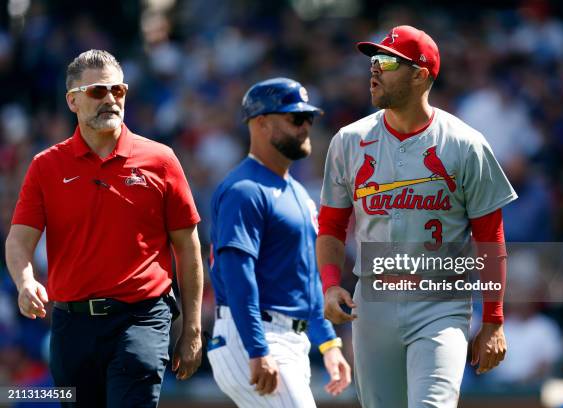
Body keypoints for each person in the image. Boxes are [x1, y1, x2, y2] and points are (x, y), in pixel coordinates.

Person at [317, 25, 517, 407]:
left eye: (387, 61)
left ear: (420, 74)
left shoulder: (465, 144)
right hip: (372, 300)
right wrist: (329, 284)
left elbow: (490, 239)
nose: (374, 70)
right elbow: (330, 225)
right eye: (373, 61)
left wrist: (493, 319)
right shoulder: (348, 141)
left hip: (440, 301)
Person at [5, 49, 203, 408]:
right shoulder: (45, 166)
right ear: (73, 101)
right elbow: (19, 240)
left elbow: (188, 249)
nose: (111, 99)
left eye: (119, 90)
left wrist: (191, 329)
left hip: (142, 318)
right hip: (71, 326)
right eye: (98, 91)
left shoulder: (161, 159)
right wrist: (25, 281)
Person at [208, 77, 351, 407]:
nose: (305, 127)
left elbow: (307, 279)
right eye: (295, 118)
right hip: (253, 335)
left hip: (290, 339)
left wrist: (328, 345)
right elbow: (237, 274)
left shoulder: (298, 193)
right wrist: (257, 348)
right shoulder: (244, 189)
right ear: (260, 123)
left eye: (309, 119)